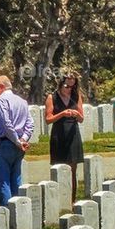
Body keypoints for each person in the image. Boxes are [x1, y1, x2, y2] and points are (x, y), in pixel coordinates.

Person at [0, 75, 34, 206]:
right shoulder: (22, 101)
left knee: (3, 182)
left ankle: (6, 215)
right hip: (19, 145)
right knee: (16, 180)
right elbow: (30, 123)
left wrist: (17, 141)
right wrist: (23, 139)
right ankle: (19, 213)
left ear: (2, 87)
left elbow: (7, 123)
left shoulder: (1, 100)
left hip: (5, 143)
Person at [45, 73, 84, 202]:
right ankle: (58, 198)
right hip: (59, 134)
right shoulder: (52, 97)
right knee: (59, 166)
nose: (69, 89)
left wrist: (76, 114)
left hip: (73, 134)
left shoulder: (76, 96)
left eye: (72, 87)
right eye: (67, 86)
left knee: (73, 168)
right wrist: (62, 114)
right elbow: (48, 119)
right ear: (61, 84)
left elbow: (81, 119)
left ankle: (72, 199)